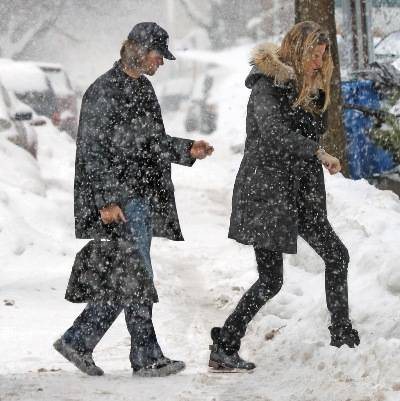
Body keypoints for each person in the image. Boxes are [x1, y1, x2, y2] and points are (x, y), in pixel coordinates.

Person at [53, 22, 213, 377]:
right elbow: (93, 151)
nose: (162, 62)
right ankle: (144, 355)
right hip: (121, 201)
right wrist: (107, 201)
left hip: (140, 195)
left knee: (128, 276)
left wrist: (188, 148)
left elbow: (152, 142)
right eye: (159, 55)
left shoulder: (143, 89)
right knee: (136, 275)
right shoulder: (102, 91)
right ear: (138, 49)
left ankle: (79, 340)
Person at [208, 21, 359, 372]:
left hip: (301, 191)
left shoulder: (308, 87)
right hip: (268, 190)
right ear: (298, 49)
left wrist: (315, 95)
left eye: (323, 57)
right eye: (314, 55)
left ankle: (341, 334)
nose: (318, 62)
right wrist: (318, 153)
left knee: (337, 255)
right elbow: (274, 133)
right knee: (271, 280)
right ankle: (226, 343)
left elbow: (310, 129)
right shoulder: (267, 85)